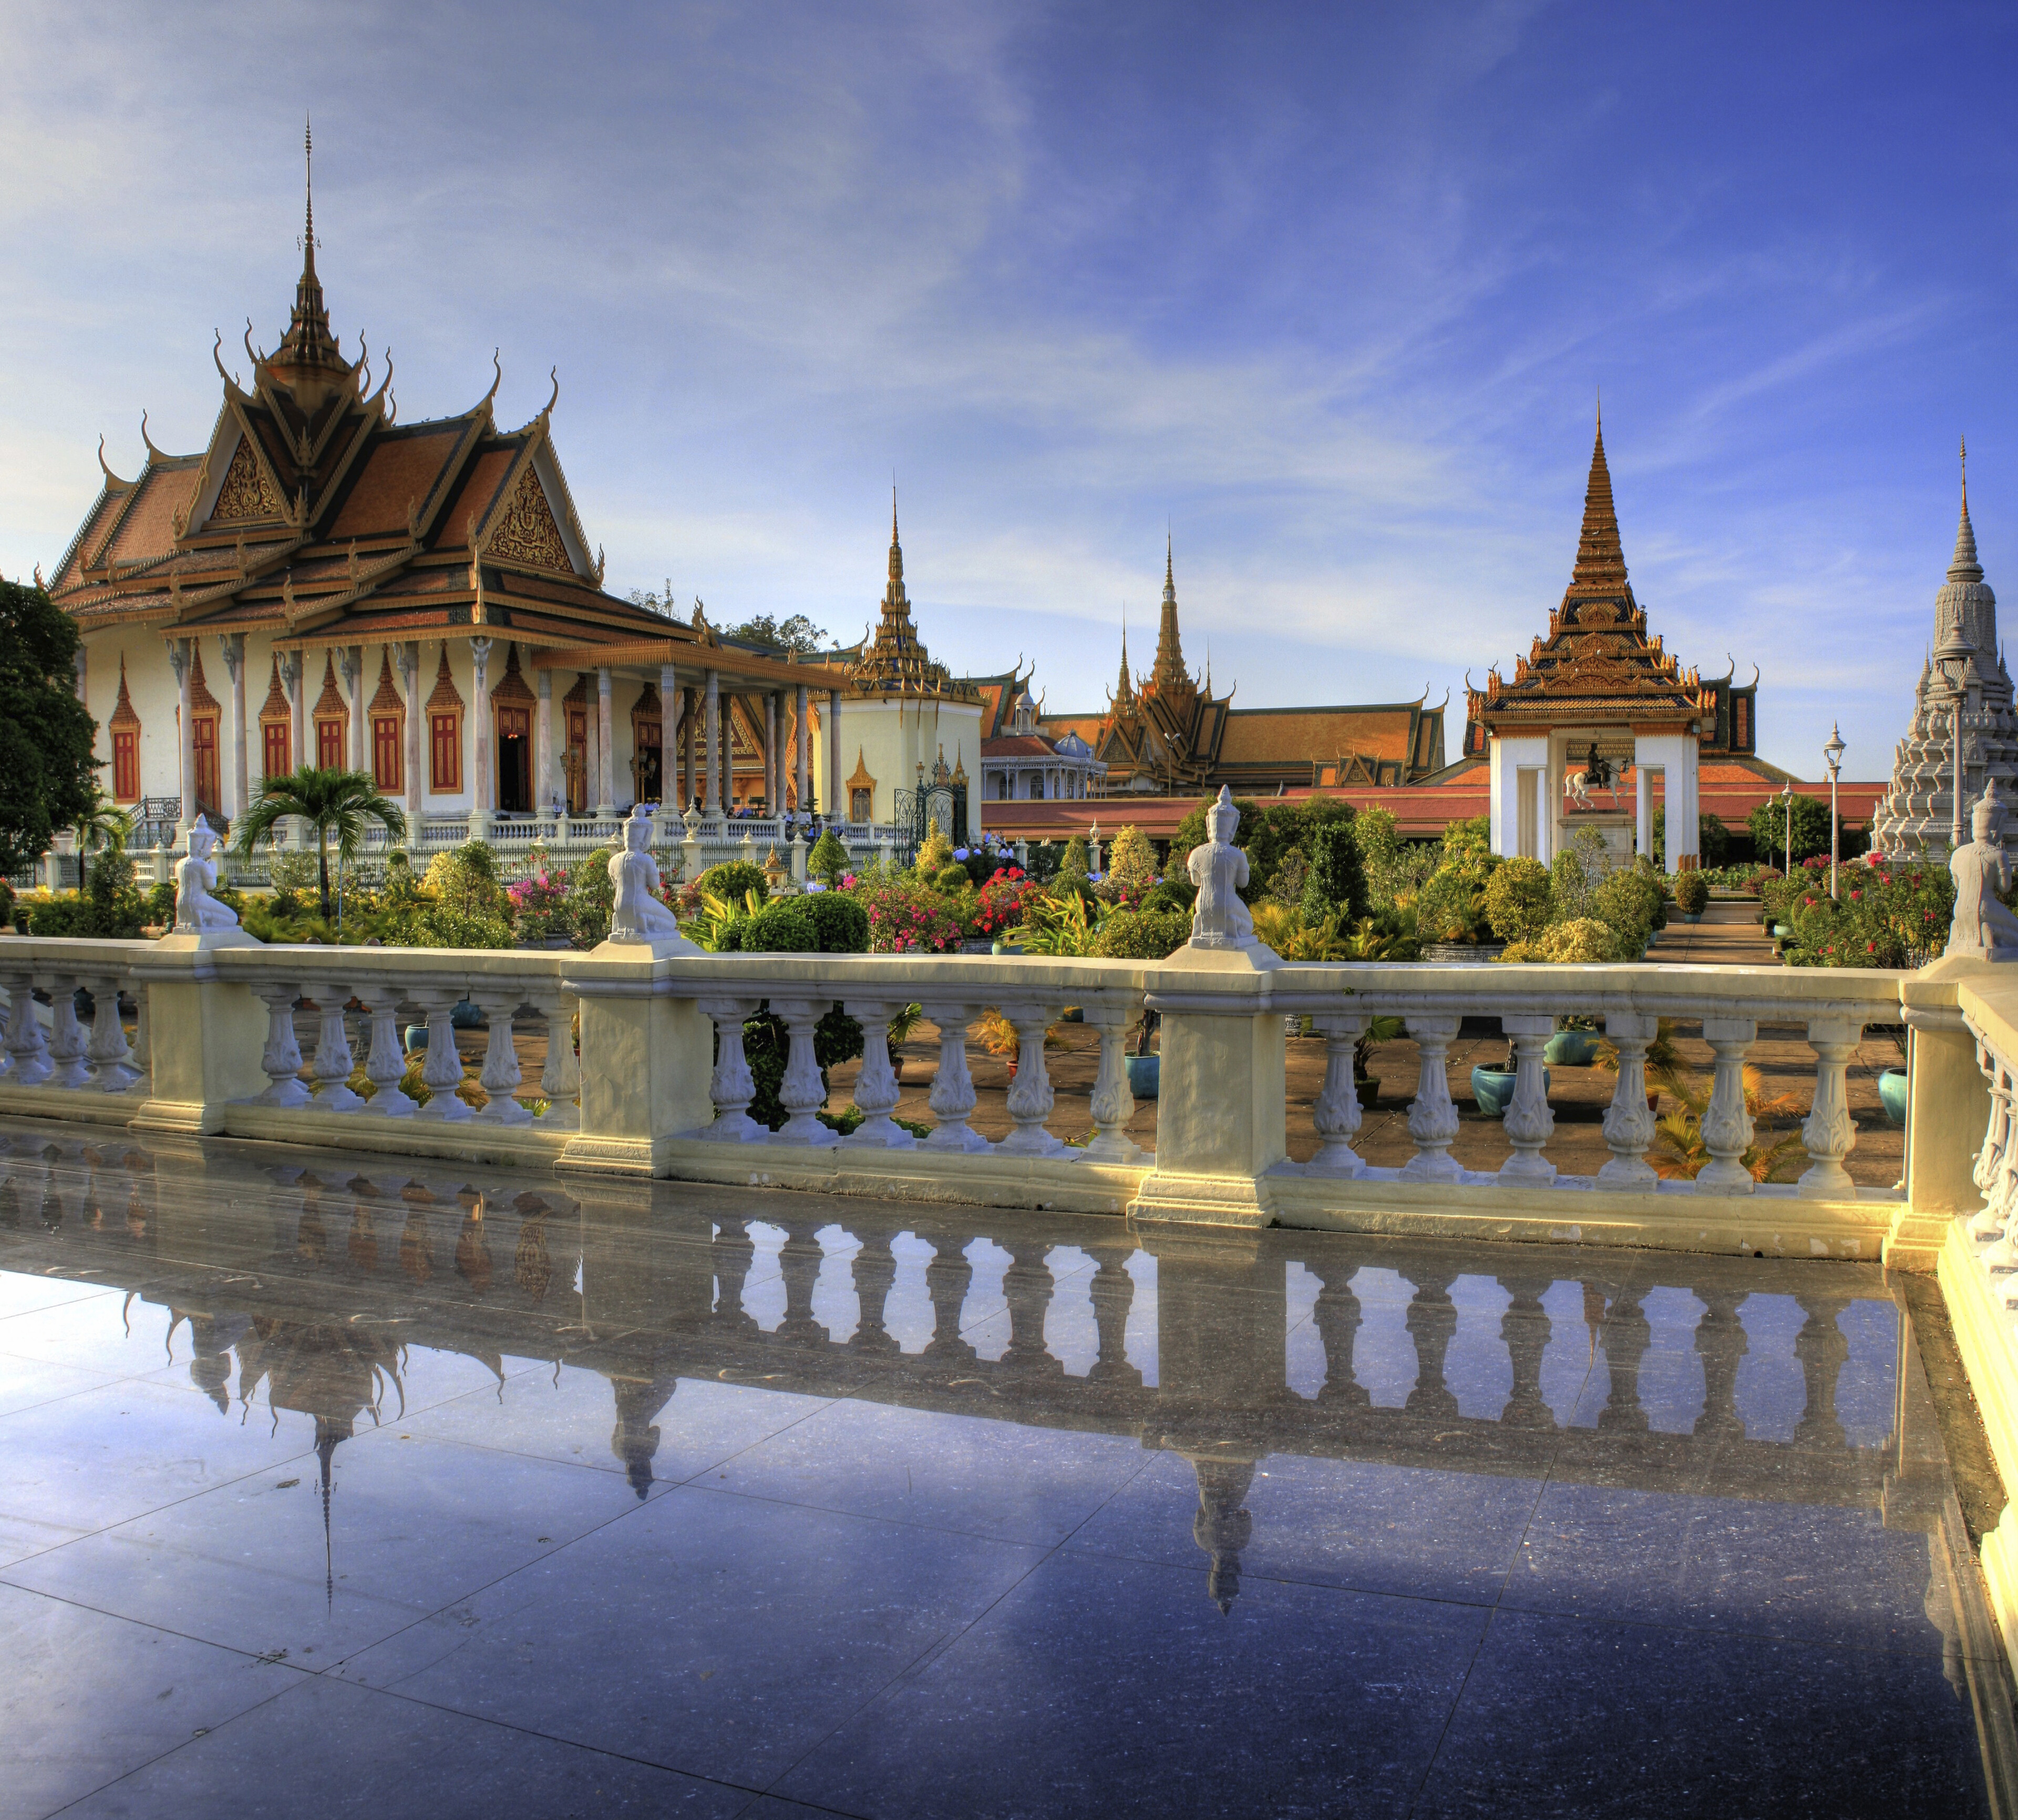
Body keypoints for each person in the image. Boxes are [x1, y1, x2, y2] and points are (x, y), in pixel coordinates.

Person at [1949, 778, 2018, 961]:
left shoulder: (1959, 853)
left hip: (1960, 909)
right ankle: (1993, 930)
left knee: (1962, 918)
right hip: (1985, 907)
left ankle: (1958, 929)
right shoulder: (1998, 854)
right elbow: (2005, 888)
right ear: (1996, 828)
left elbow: (1957, 885)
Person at [1186, 787, 1255, 950]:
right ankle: (1233, 922)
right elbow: (1243, 883)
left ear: (1209, 825)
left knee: (1203, 908)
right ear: (1232, 828)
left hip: (1202, 904)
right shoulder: (1237, 855)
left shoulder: (1196, 853)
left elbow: (1196, 882)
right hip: (1228, 902)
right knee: (1249, 925)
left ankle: (1200, 922)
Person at [607, 805, 683, 943]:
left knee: (624, 903)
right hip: (640, 902)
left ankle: (619, 920)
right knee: (671, 921)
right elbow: (654, 885)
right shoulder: (646, 860)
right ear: (644, 837)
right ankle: (647, 919)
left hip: (619, 905)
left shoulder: (614, 860)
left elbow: (615, 884)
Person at [173, 816, 241, 933]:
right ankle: (204, 915)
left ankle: (201, 916)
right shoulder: (202, 865)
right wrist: (212, 869)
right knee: (233, 918)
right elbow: (211, 886)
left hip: (181, 903)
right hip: (198, 901)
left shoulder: (180, 863)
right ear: (203, 847)